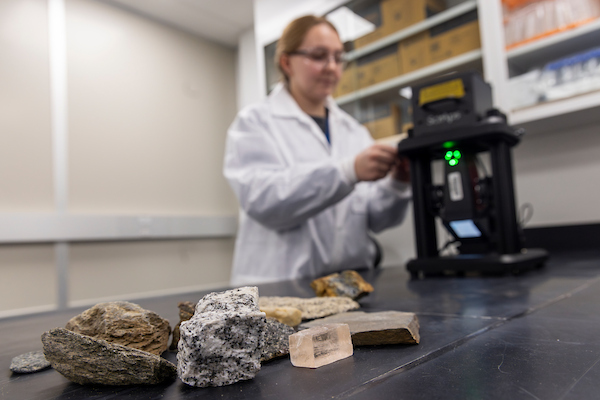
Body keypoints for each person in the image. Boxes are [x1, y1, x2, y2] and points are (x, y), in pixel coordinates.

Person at [223, 15, 411, 285]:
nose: (332, 67)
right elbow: (264, 200)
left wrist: (397, 185)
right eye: (319, 56)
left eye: (338, 57)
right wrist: (347, 172)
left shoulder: (354, 131)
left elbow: (375, 219)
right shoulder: (255, 122)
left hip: (347, 285)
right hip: (280, 285)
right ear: (287, 62)